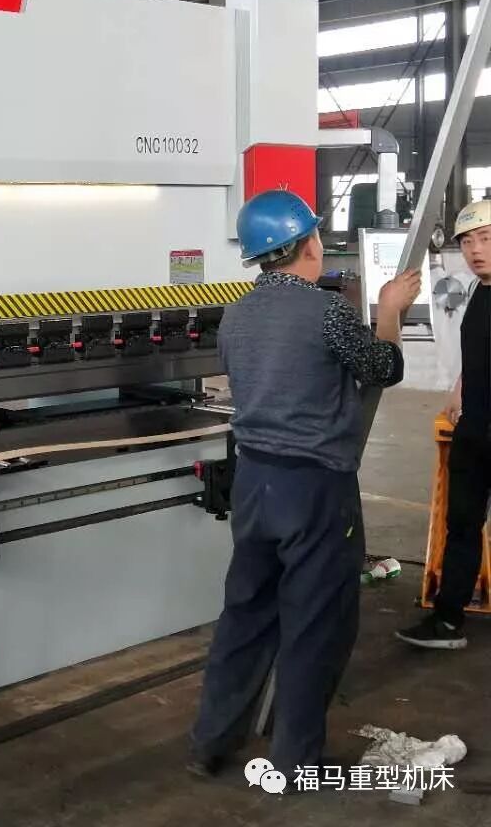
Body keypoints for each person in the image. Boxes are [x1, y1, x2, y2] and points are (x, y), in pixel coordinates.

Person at [188, 189, 420, 780]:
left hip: (254, 482)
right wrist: (390, 310)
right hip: (314, 489)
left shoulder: (236, 315)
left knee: (245, 614)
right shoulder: (327, 312)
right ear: (309, 244)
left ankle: (212, 742)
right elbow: (384, 368)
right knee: (316, 622)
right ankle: (294, 759)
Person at [397, 198, 491, 650]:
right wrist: (460, 387)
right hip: (475, 431)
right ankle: (448, 619)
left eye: (486, 239)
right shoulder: (479, 291)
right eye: (468, 242)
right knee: (462, 524)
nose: (476, 251)